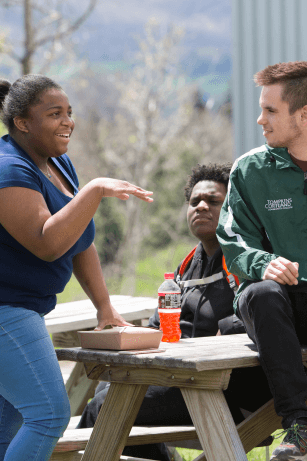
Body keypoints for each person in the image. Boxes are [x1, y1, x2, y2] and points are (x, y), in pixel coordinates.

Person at [0, 74, 153, 461]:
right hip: (7, 311)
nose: (68, 121)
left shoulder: (59, 164)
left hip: (26, 308)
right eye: (55, 114)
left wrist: (104, 306)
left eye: (69, 112)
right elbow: (48, 242)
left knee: (12, 424)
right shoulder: (8, 170)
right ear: (22, 123)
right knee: (49, 415)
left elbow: (78, 239)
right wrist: (95, 188)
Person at [78, 163, 272, 461]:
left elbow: (269, 310)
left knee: (106, 408)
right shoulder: (184, 270)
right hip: (187, 382)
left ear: (234, 208)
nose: (202, 207)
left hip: (232, 393)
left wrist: (229, 326)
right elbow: (161, 328)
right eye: (194, 202)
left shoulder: (248, 260)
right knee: (111, 391)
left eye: (214, 201)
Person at [216, 61, 307, 461]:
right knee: (262, 293)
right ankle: (300, 427)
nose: (260, 119)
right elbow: (233, 241)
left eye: (271, 110)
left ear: (303, 115)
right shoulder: (250, 170)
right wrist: (263, 262)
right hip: (280, 304)